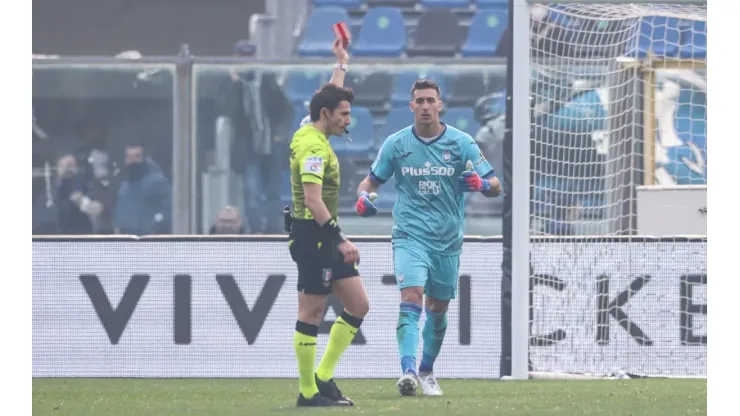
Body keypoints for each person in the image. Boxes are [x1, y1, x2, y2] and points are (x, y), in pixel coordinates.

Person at [355, 79, 502, 397]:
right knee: (411, 298)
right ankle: (407, 371)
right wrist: (364, 197)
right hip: (410, 234)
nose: (424, 106)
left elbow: (495, 185)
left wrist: (480, 183)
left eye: (429, 100)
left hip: (447, 240)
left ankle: (426, 371)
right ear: (411, 107)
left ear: (440, 105)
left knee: (438, 310)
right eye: (419, 100)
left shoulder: (462, 143)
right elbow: (369, 183)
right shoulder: (396, 144)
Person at [287, 80, 370, 406]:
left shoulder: (308, 129)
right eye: (344, 114)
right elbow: (312, 200)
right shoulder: (314, 149)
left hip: (322, 234)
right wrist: (340, 239)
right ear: (326, 114)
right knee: (312, 313)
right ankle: (307, 392)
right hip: (314, 236)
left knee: (359, 305)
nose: (348, 120)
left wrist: (341, 65)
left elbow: (325, 98)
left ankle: (323, 376)